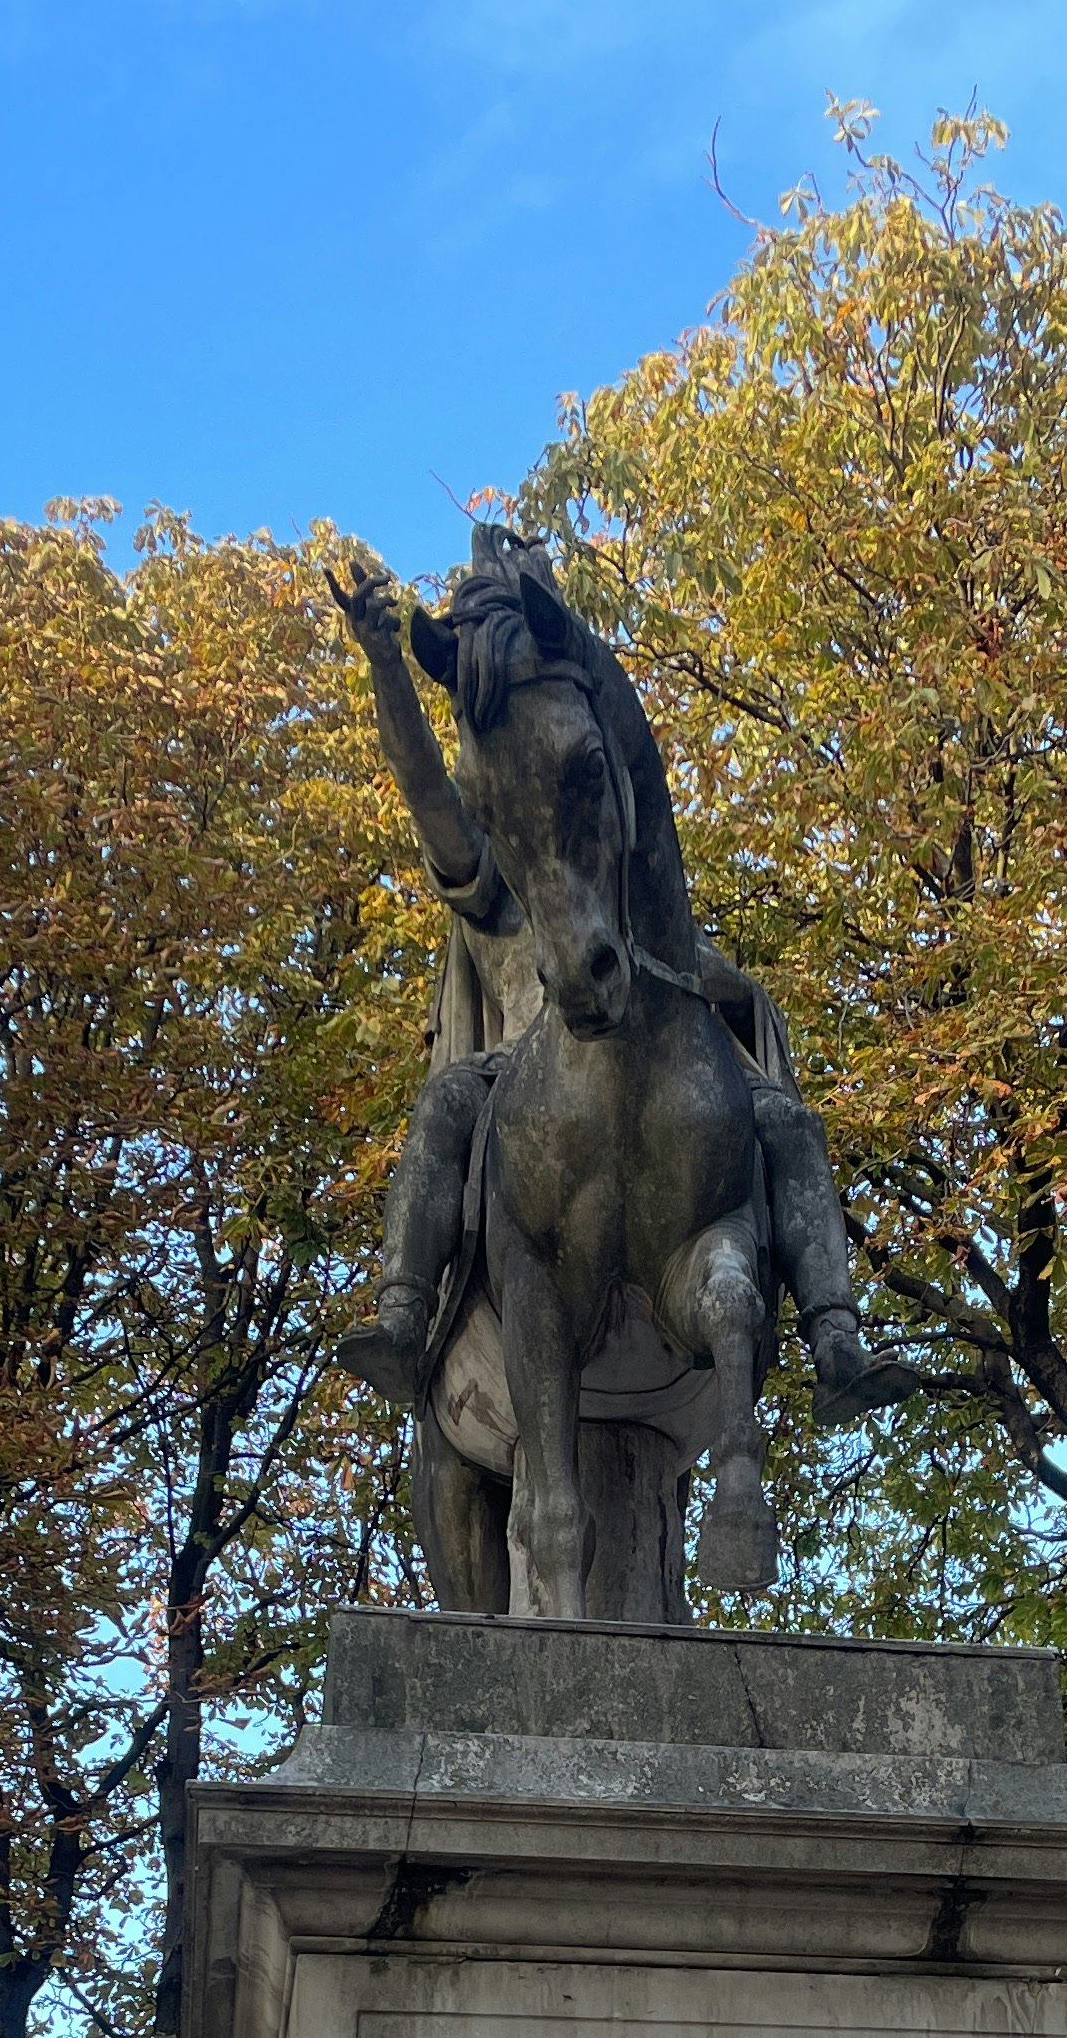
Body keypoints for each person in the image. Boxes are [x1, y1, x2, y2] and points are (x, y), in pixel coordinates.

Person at [325, 550, 879, 1419]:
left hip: (657, 1040)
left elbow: (693, 955)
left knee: (785, 1120)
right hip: (524, 1068)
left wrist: (722, 991)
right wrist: (390, 667)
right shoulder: (495, 871)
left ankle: (836, 1336)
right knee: (444, 1108)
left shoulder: (610, 863)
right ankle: (403, 1311)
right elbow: (427, 789)